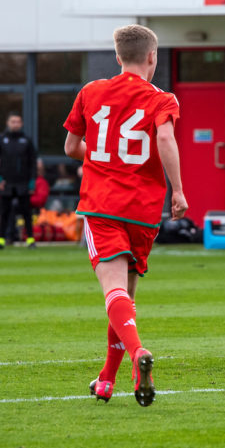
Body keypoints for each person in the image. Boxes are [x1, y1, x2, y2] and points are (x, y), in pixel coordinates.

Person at [63, 24, 188, 406]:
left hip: (102, 206)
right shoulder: (162, 98)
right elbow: (165, 138)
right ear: (153, 57)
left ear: (117, 57)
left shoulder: (91, 92)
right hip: (143, 212)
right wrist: (178, 190)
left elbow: (71, 147)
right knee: (126, 300)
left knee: (114, 292)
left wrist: (104, 159)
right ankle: (107, 379)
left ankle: (138, 356)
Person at [0, 112, 38, 249]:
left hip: (23, 183)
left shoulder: (26, 141)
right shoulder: (2, 140)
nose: (15, 124)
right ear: (8, 123)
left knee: (26, 213)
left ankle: (30, 240)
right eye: (12, 121)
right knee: (4, 212)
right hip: (6, 183)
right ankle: (2, 240)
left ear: (21, 124)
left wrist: (32, 181)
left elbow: (33, 162)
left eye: (17, 122)